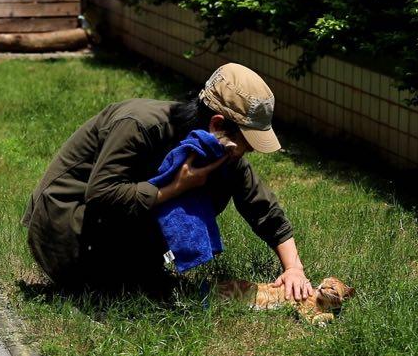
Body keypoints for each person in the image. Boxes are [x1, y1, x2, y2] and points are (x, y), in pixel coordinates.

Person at [21, 63, 313, 300]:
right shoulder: (140, 125)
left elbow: (261, 205)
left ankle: (138, 271)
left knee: (222, 178)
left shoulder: (218, 148)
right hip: (67, 231)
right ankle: (119, 276)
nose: (247, 152)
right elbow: (102, 194)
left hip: (110, 230)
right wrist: (175, 188)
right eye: (246, 143)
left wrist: (294, 269)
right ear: (218, 124)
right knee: (122, 296)